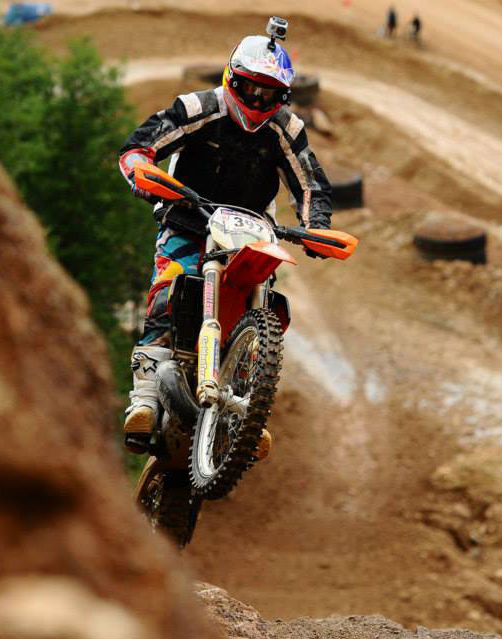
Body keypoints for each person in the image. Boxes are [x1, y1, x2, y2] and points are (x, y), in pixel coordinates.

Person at [117, 23, 333, 454]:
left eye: (269, 95)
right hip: (188, 217)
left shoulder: (286, 129)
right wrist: (141, 168)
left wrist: (317, 227)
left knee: (265, 307)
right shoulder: (201, 107)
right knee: (168, 286)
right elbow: (142, 144)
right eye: (251, 88)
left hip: (252, 232)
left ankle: (246, 412)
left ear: (282, 98)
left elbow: (310, 183)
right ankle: (144, 400)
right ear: (232, 79)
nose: (257, 100)